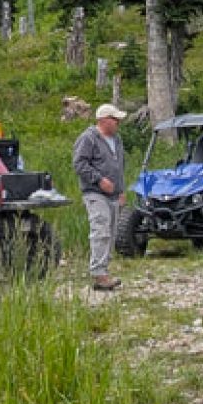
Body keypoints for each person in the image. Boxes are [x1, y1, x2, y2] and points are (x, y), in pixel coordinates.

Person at [72, 102, 128, 292]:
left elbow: (119, 166)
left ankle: (104, 270)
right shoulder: (88, 138)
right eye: (115, 119)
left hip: (113, 193)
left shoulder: (117, 140)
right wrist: (99, 180)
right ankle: (99, 274)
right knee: (100, 228)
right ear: (104, 120)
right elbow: (79, 164)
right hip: (95, 192)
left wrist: (121, 189)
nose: (118, 122)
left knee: (111, 232)